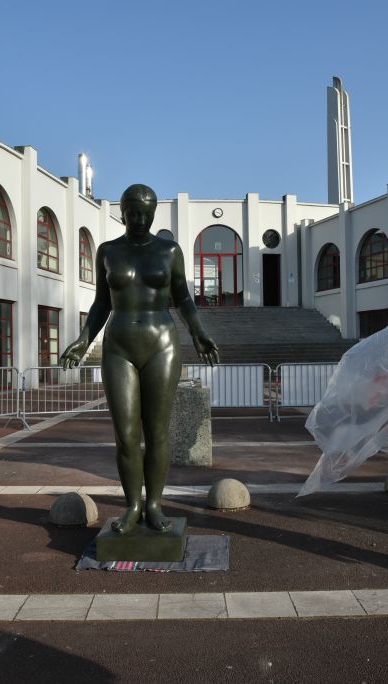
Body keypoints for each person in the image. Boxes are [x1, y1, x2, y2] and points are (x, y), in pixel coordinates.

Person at [61, 184, 219, 534]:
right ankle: (132, 505)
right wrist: (83, 340)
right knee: (126, 435)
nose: (139, 219)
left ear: (153, 213)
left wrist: (198, 331)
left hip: (161, 344)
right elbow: (102, 303)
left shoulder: (169, 250)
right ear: (123, 212)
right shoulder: (108, 251)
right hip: (119, 346)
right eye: (133, 213)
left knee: (158, 432)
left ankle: (154, 505)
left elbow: (183, 298)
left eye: (146, 213)